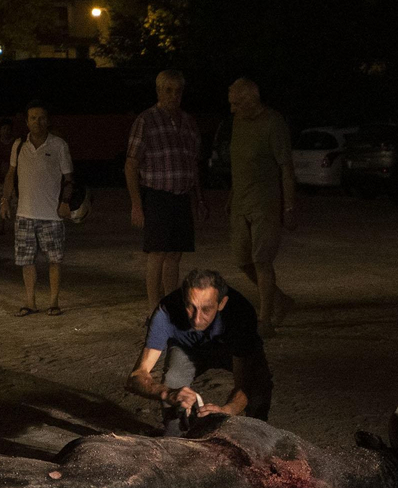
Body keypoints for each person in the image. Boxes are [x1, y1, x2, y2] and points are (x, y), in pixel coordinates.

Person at [126, 269, 272, 435]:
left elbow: (244, 383)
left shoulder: (240, 313)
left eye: (206, 309)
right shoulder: (166, 310)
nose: (196, 319)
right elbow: (136, 376)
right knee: (173, 379)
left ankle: (257, 435)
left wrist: (228, 410)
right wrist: (167, 393)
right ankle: (175, 440)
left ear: (222, 303)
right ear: (183, 299)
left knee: (258, 383)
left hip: (230, 348)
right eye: (191, 307)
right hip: (187, 349)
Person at [125, 69, 207, 308]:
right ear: (159, 91)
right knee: (157, 254)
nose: (173, 96)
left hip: (181, 197)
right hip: (157, 196)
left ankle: (171, 304)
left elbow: (193, 165)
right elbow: (131, 165)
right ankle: (154, 310)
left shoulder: (189, 123)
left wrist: (199, 199)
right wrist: (137, 204)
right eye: (168, 90)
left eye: (178, 91)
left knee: (174, 254)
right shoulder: (146, 120)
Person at [223, 77, 297, 334]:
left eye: (235, 104)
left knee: (262, 260)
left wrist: (289, 207)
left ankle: (265, 318)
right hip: (241, 202)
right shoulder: (238, 122)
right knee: (242, 260)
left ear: (249, 101)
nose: (232, 109)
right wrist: (232, 195)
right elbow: (241, 162)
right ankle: (279, 299)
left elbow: (286, 167)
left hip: (264, 203)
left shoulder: (273, 123)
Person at [0, 103, 74, 316]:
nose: (37, 122)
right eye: (33, 118)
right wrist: (5, 200)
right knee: (27, 261)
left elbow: (69, 179)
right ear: (26, 121)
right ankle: (29, 301)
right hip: (25, 214)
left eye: (41, 118)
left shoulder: (59, 145)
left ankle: (54, 301)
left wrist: (65, 202)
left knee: (54, 260)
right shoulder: (19, 145)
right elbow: (10, 174)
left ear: (48, 120)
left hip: (52, 215)